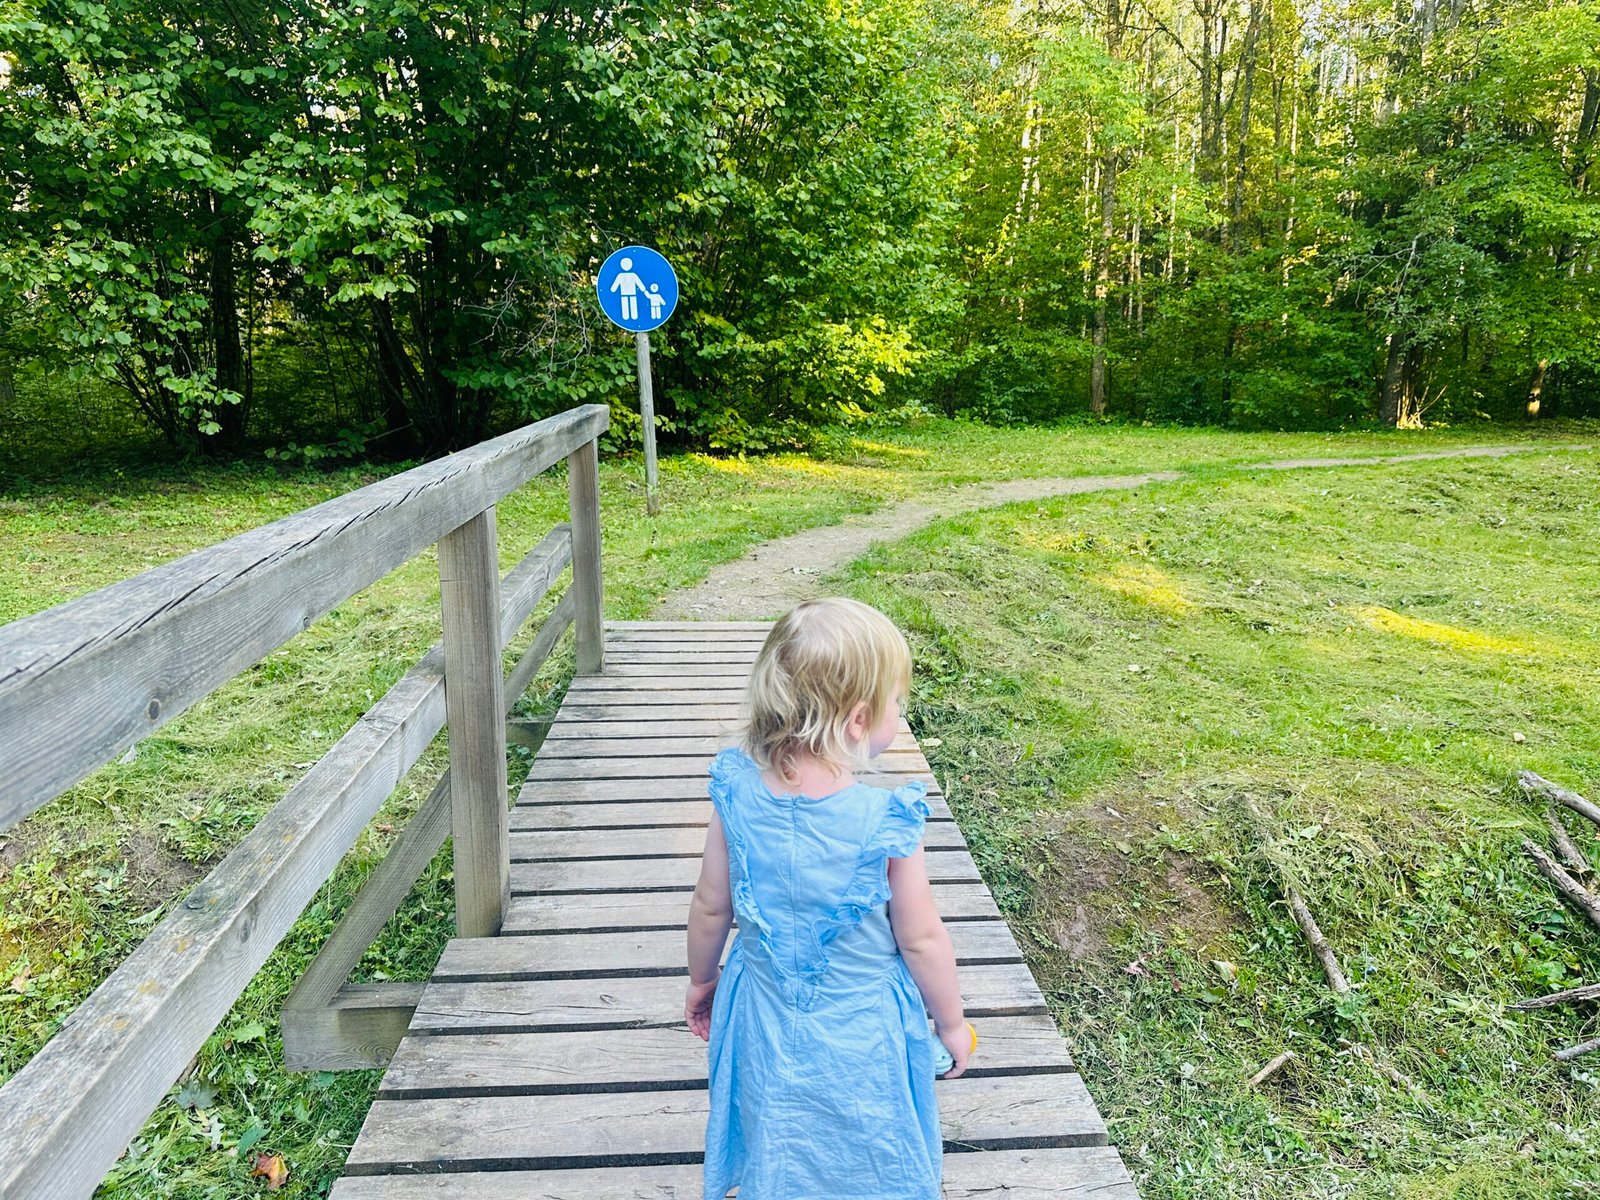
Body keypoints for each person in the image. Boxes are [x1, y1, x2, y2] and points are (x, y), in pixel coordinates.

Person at [684, 597, 973, 1200]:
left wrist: (701, 981)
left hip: (762, 1007)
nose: (901, 713)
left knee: (777, 1123)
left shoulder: (735, 793)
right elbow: (921, 940)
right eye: (898, 702)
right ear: (859, 720)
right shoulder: (884, 822)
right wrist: (951, 1022)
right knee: (870, 1135)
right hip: (861, 1026)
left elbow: (712, 906)